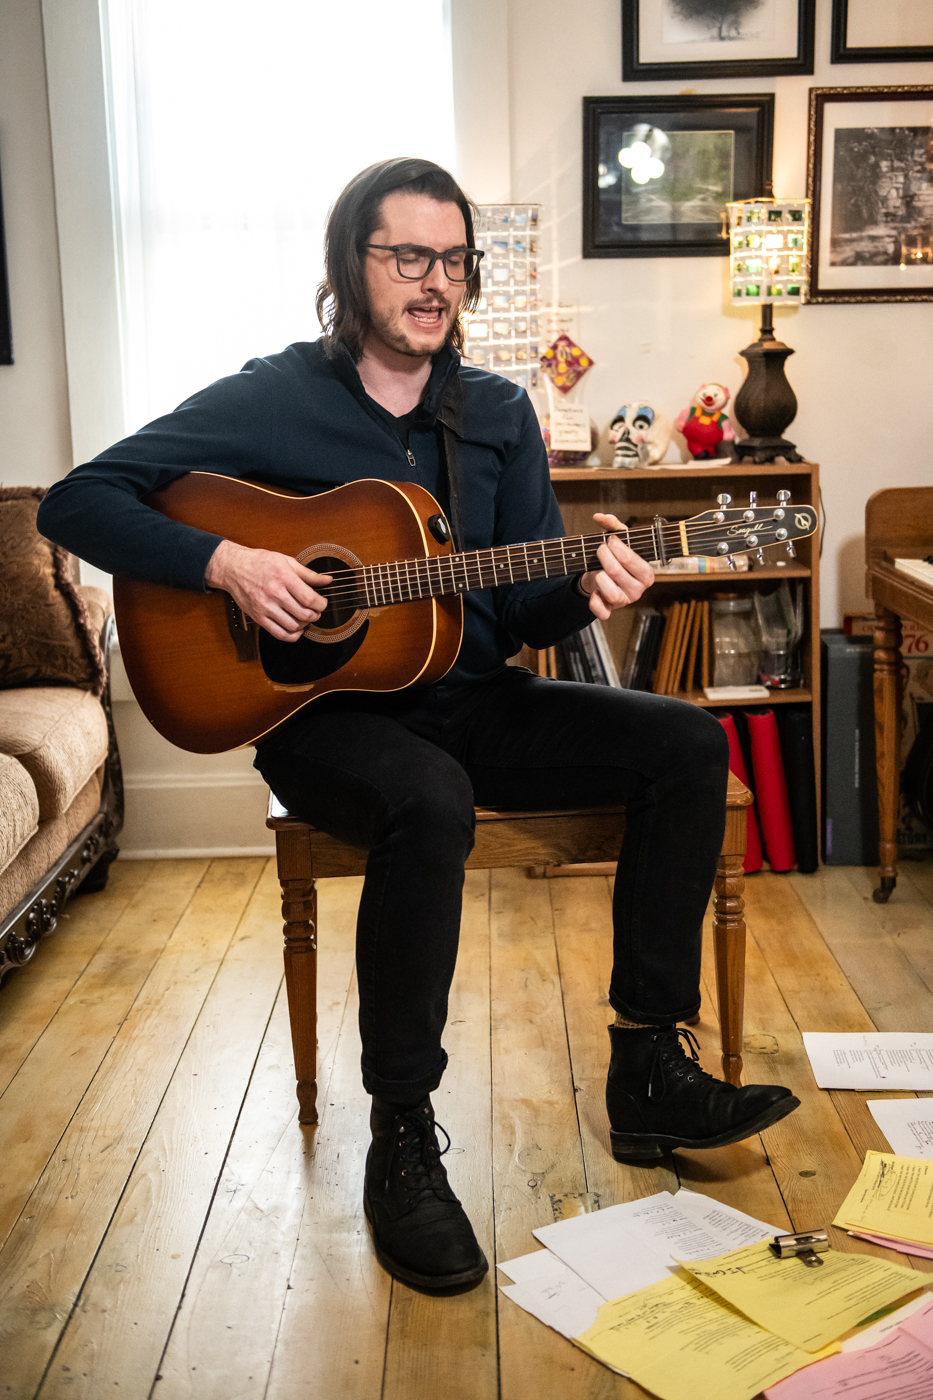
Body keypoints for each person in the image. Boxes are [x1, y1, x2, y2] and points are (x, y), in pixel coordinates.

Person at [38, 157, 800, 1295]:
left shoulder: (495, 412)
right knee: (426, 799)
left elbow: (520, 605)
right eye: (407, 256)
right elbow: (77, 500)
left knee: (687, 742)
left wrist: (586, 587)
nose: (434, 281)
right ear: (352, 264)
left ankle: (648, 1065)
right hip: (324, 718)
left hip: (474, 697)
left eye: (452, 260)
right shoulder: (272, 397)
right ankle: (402, 1137)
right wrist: (228, 561)